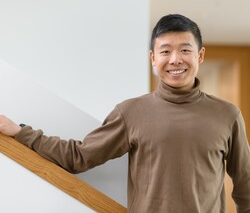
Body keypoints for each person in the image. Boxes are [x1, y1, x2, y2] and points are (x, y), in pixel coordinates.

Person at [0, 14, 249, 213]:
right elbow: (78, 157)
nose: (175, 59)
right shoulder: (131, 112)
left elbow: (246, 185)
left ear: (200, 55)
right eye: (165, 51)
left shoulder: (227, 115)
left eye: (185, 50)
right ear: (153, 58)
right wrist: (20, 132)